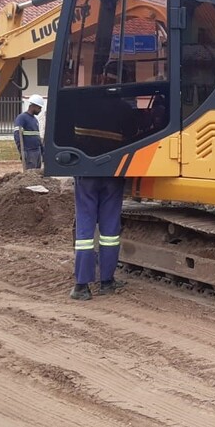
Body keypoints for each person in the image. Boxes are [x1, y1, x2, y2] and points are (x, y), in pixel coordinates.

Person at [69, 62, 134, 301]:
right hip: (113, 175)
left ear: (100, 77)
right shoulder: (125, 109)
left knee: (85, 230)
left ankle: (82, 286)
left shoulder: (84, 104)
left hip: (86, 172)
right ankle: (107, 281)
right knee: (110, 230)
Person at [13, 94, 45, 170]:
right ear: (33, 106)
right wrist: (21, 151)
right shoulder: (22, 118)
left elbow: (37, 136)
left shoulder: (35, 120)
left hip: (37, 152)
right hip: (29, 152)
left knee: (37, 174)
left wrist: (42, 150)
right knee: (30, 174)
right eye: (39, 108)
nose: (40, 110)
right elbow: (17, 135)